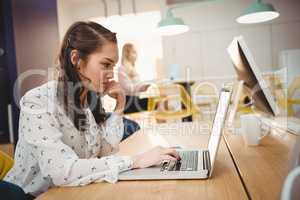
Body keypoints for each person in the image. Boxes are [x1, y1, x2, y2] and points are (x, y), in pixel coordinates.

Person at [4, 21, 180, 198]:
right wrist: (136, 161)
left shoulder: (87, 101)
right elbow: (62, 171)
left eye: (113, 66)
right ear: (76, 60)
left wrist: (120, 106)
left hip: (74, 192)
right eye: (105, 64)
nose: (111, 74)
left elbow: (106, 151)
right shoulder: (37, 101)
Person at [118, 43, 150, 114]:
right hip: (129, 101)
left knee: (155, 101)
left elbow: (136, 86)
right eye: (134, 52)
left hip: (135, 99)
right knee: (155, 102)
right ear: (127, 54)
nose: (136, 55)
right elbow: (128, 88)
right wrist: (142, 87)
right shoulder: (122, 69)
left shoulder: (133, 69)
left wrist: (144, 87)